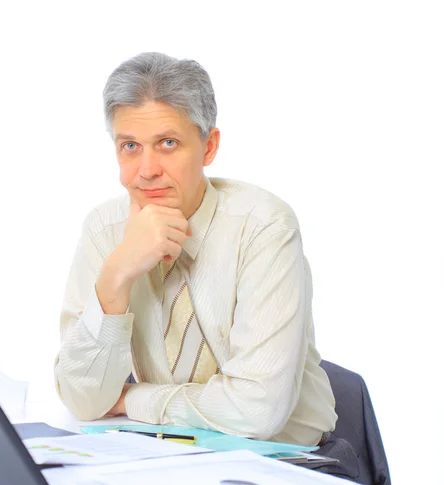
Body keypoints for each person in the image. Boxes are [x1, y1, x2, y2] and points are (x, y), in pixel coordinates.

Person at [54, 52, 337, 446]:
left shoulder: (264, 228)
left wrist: (136, 399)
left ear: (208, 147)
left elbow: (258, 411)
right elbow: (83, 400)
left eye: (167, 143)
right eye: (130, 146)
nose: (147, 169)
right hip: (166, 456)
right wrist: (116, 277)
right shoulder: (105, 230)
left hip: (289, 462)